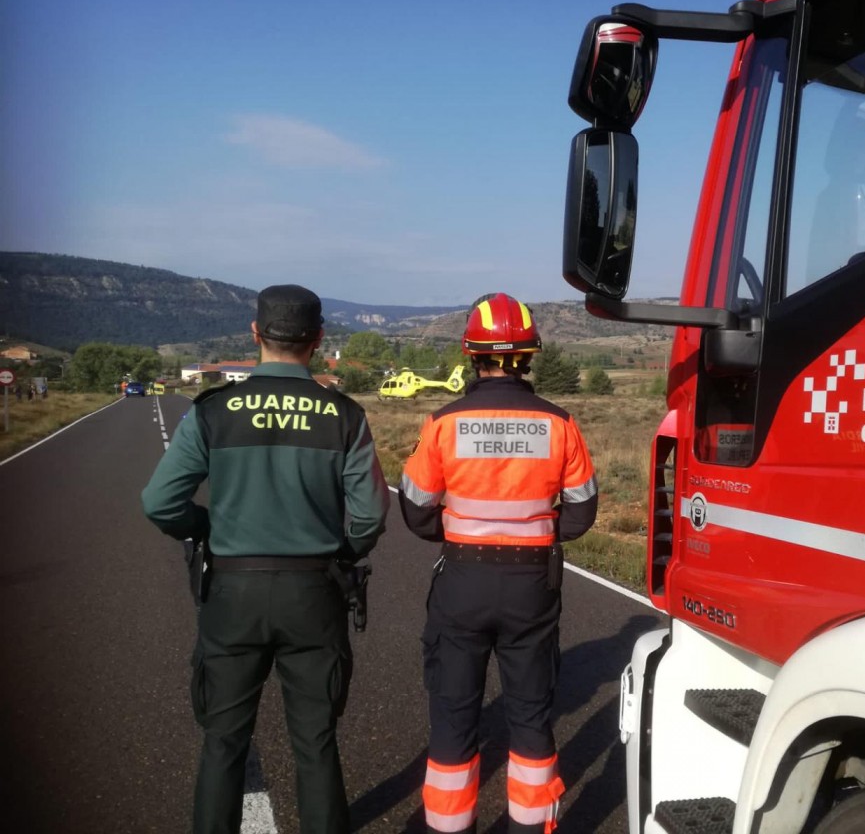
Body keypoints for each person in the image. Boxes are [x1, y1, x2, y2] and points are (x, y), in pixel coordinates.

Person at [141, 284, 391, 834]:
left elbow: (159, 502)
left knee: (224, 744)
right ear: (319, 340)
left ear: (255, 335)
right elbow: (370, 517)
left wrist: (203, 528)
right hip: (314, 592)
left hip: (233, 593)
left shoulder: (213, 411)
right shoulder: (342, 414)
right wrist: (340, 554)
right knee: (317, 744)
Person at [399, 293, 598, 834]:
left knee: (455, 715)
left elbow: (416, 510)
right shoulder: (560, 423)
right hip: (533, 585)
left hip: (462, 580)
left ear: (472, 355)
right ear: (529, 355)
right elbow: (582, 511)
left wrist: (460, 528)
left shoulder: (443, 422)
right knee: (531, 716)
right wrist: (535, 531)